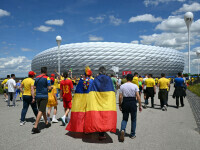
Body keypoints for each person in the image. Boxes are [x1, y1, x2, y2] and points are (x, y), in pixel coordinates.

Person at [84, 66, 117, 140]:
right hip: (106, 99)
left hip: (97, 98)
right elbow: (112, 91)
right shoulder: (108, 78)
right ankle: (102, 132)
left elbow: (92, 90)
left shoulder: (96, 79)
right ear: (105, 72)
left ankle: (99, 130)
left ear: (99, 72)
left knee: (98, 114)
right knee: (105, 115)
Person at [66, 66, 94, 132]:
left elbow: (77, 91)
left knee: (82, 113)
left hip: (82, 100)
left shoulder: (81, 81)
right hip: (90, 100)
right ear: (90, 74)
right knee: (89, 114)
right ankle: (88, 128)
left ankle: (82, 127)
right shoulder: (92, 81)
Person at [119, 74, 142, 142]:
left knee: (124, 119)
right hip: (132, 102)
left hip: (125, 102)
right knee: (133, 119)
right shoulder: (135, 86)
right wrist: (140, 105)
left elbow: (120, 97)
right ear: (132, 79)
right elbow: (138, 96)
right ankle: (132, 134)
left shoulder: (122, 86)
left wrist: (120, 105)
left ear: (126, 79)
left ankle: (123, 129)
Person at [32, 67, 52, 134]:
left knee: (43, 109)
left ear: (41, 71)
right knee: (40, 110)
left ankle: (46, 123)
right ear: (46, 71)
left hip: (38, 96)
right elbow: (49, 87)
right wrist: (51, 87)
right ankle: (35, 127)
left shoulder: (37, 78)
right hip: (44, 96)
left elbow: (34, 87)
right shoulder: (47, 78)